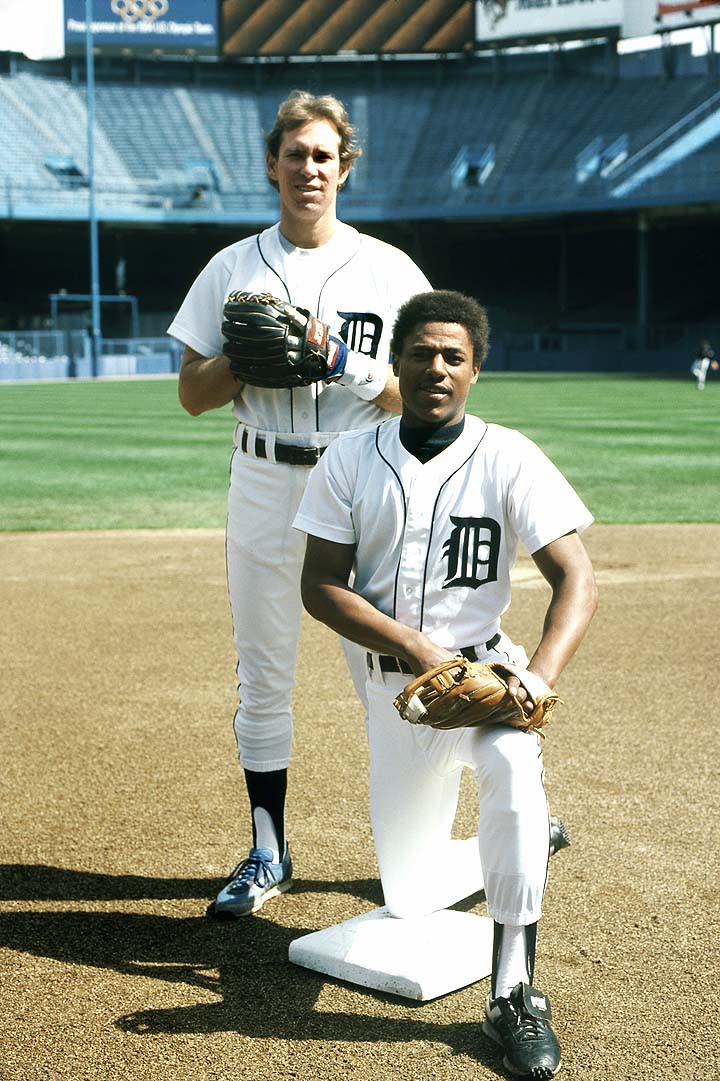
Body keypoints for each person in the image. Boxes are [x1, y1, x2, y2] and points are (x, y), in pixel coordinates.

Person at [295, 290, 598, 1078]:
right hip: (395, 693)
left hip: (486, 680)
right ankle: (525, 839)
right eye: (422, 352)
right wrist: (409, 642)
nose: (436, 367)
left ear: (475, 370)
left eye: (453, 356)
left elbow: (577, 580)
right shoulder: (349, 458)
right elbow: (319, 585)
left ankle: (514, 993)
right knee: (408, 893)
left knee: (511, 772)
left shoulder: (510, 455)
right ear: (396, 362)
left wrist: (536, 677)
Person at [167, 90, 431, 917]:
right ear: (272, 164)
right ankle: (266, 848)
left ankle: (410, 848)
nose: (308, 168)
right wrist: (247, 362)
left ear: (344, 166)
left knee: (383, 674)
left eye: (324, 155)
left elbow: (413, 394)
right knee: (264, 677)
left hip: (357, 481)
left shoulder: (388, 269)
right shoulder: (231, 268)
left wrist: (334, 355)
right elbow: (191, 395)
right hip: (261, 479)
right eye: (295, 154)